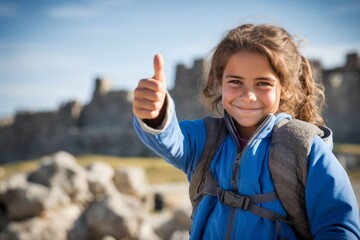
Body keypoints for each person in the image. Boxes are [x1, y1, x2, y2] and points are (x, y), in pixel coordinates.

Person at [132, 23, 360, 239]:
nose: (248, 95)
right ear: (219, 83)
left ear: (286, 89)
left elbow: (339, 226)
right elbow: (171, 139)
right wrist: (157, 113)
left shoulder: (305, 149)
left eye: (263, 83)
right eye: (235, 82)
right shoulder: (206, 139)